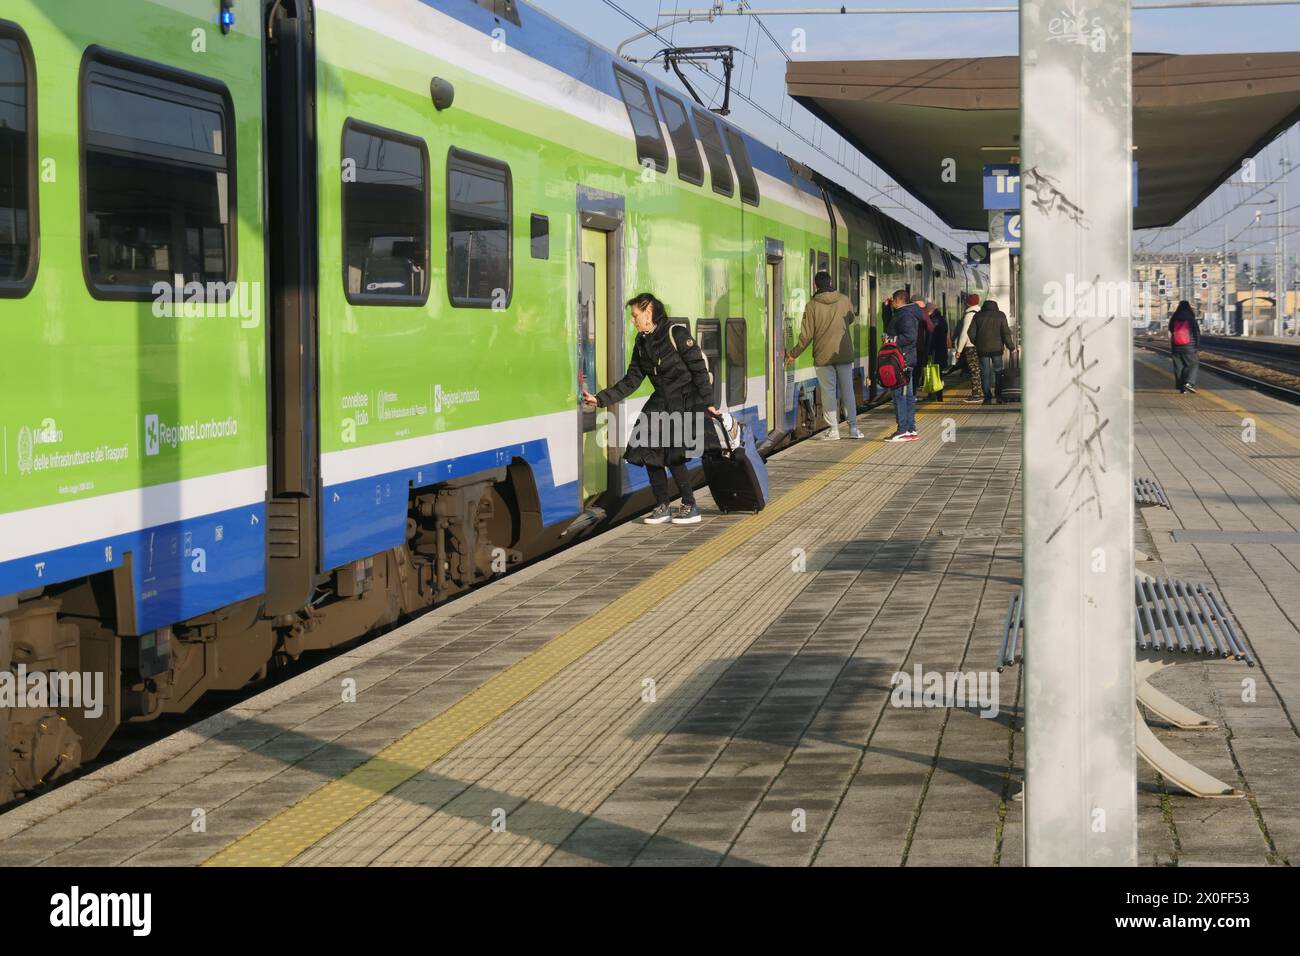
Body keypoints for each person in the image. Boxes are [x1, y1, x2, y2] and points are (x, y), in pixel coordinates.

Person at [583, 293, 718, 525]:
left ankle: (689, 505)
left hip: (684, 399)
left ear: (649, 312)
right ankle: (662, 505)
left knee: (674, 453)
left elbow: (698, 369)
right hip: (661, 400)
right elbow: (632, 380)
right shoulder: (641, 342)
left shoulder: (675, 333)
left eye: (635, 315)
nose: (633, 320)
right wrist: (600, 399)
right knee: (647, 449)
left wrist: (709, 403)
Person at [786, 271, 863, 440]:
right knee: (847, 390)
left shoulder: (812, 305)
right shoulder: (844, 299)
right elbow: (849, 319)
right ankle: (853, 429)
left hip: (822, 355)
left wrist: (793, 354)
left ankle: (834, 430)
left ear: (815, 285)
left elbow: (806, 336)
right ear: (830, 282)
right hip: (843, 353)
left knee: (828, 392)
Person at [883, 289, 921, 441]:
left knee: (900, 395)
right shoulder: (905, 313)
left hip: (901, 361)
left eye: (893, 300)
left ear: (898, 300)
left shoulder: (905, 315)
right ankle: (911, 429)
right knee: (908, 395)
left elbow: (910, 337)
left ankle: (903, 429)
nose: (892, 302)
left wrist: (891, 341)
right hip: (905, 359)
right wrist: (886, 310)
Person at [971, 298, 1017, 404]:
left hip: (982, 350)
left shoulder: (977, 316)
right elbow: (1005, 333)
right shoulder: (1000, 315)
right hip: (997, 350)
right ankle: (999, 396)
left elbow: (971, 333)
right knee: (998, 372)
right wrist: (1011, 347)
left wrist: (978, 343)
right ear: (995, 306)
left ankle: (987, 397)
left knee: (985, 374)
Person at [1168, 299, 1201, 394]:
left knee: (1178, 366)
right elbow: (1196, 333)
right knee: (1192, 364)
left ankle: (1181, 387)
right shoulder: (1191, 317)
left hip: (1176, 346)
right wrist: (1197, 346)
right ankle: (1189, 383)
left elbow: (1171, 329)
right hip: (1189, 346)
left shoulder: (1174, 317)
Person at [955, 293, 983, 404]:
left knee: (974, 371)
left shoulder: (969, 314)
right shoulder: (980, 313)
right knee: (979, 370)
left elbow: (964, 334)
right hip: (979, 345)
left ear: (967, 303)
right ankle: (980, 393)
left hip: (970, 346)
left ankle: (977, 395)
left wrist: (959, 350)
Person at [926, 303, 950, 403]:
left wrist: (929, 350)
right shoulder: (941, 319)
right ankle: (936, 395)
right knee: (937, 374)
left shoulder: (935, 320)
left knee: (935, 373)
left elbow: (932, 337)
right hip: (941, 350)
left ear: (930, 310)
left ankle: (936, 396)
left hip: (936, 351)